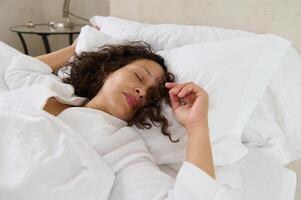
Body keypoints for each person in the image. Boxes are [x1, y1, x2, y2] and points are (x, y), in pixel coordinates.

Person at [2, 32, 233, 199]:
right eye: (139, 77)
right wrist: (78, 46)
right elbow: (20, 68)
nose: (142, 91)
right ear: (109, 70)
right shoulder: (56, 91)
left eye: (152, 95)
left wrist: (196, 124)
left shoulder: (121, 143)